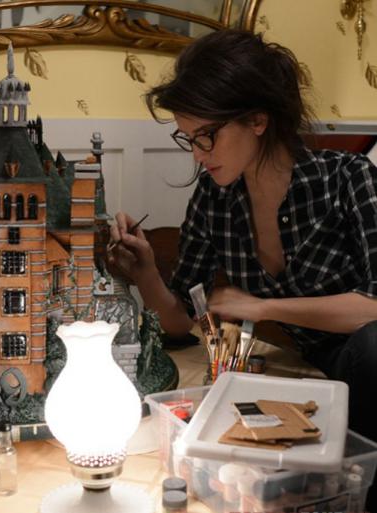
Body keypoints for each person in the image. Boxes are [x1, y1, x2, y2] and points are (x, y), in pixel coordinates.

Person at [108, 29, 377, 511]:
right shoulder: (215, 198)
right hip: (310, 377)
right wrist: (146, 271)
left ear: (257, 120)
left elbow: (373, 309)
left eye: (206, 136)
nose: (197, 153)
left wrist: (263, 307)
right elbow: (180, 320)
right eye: (188, 138)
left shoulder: (347, 179)